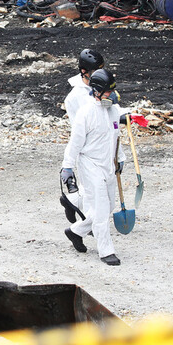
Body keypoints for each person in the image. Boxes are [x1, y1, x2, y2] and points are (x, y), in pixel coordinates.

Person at [60, 68, 126, 266]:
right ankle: (106, 251)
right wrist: (68, 166)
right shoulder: (85, 113)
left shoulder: (113, 111)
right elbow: (75, 143)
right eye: (108, 91)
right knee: (100, 208)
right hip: (89, 164)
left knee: (108, 207)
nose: (111, 95)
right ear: (96, 91)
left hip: (108, 164)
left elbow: (116, 137)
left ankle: (75, 231)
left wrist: (120, 158)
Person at [61, 48, 107, 223]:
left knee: (100, 186)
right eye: (96, 71)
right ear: (84, 72)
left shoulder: (102, 86)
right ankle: (88, 227)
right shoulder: (74, 98)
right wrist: (69, 164)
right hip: (88, 148)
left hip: (103, 143)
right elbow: (78, 131)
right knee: (92, 190)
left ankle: (71, 201)